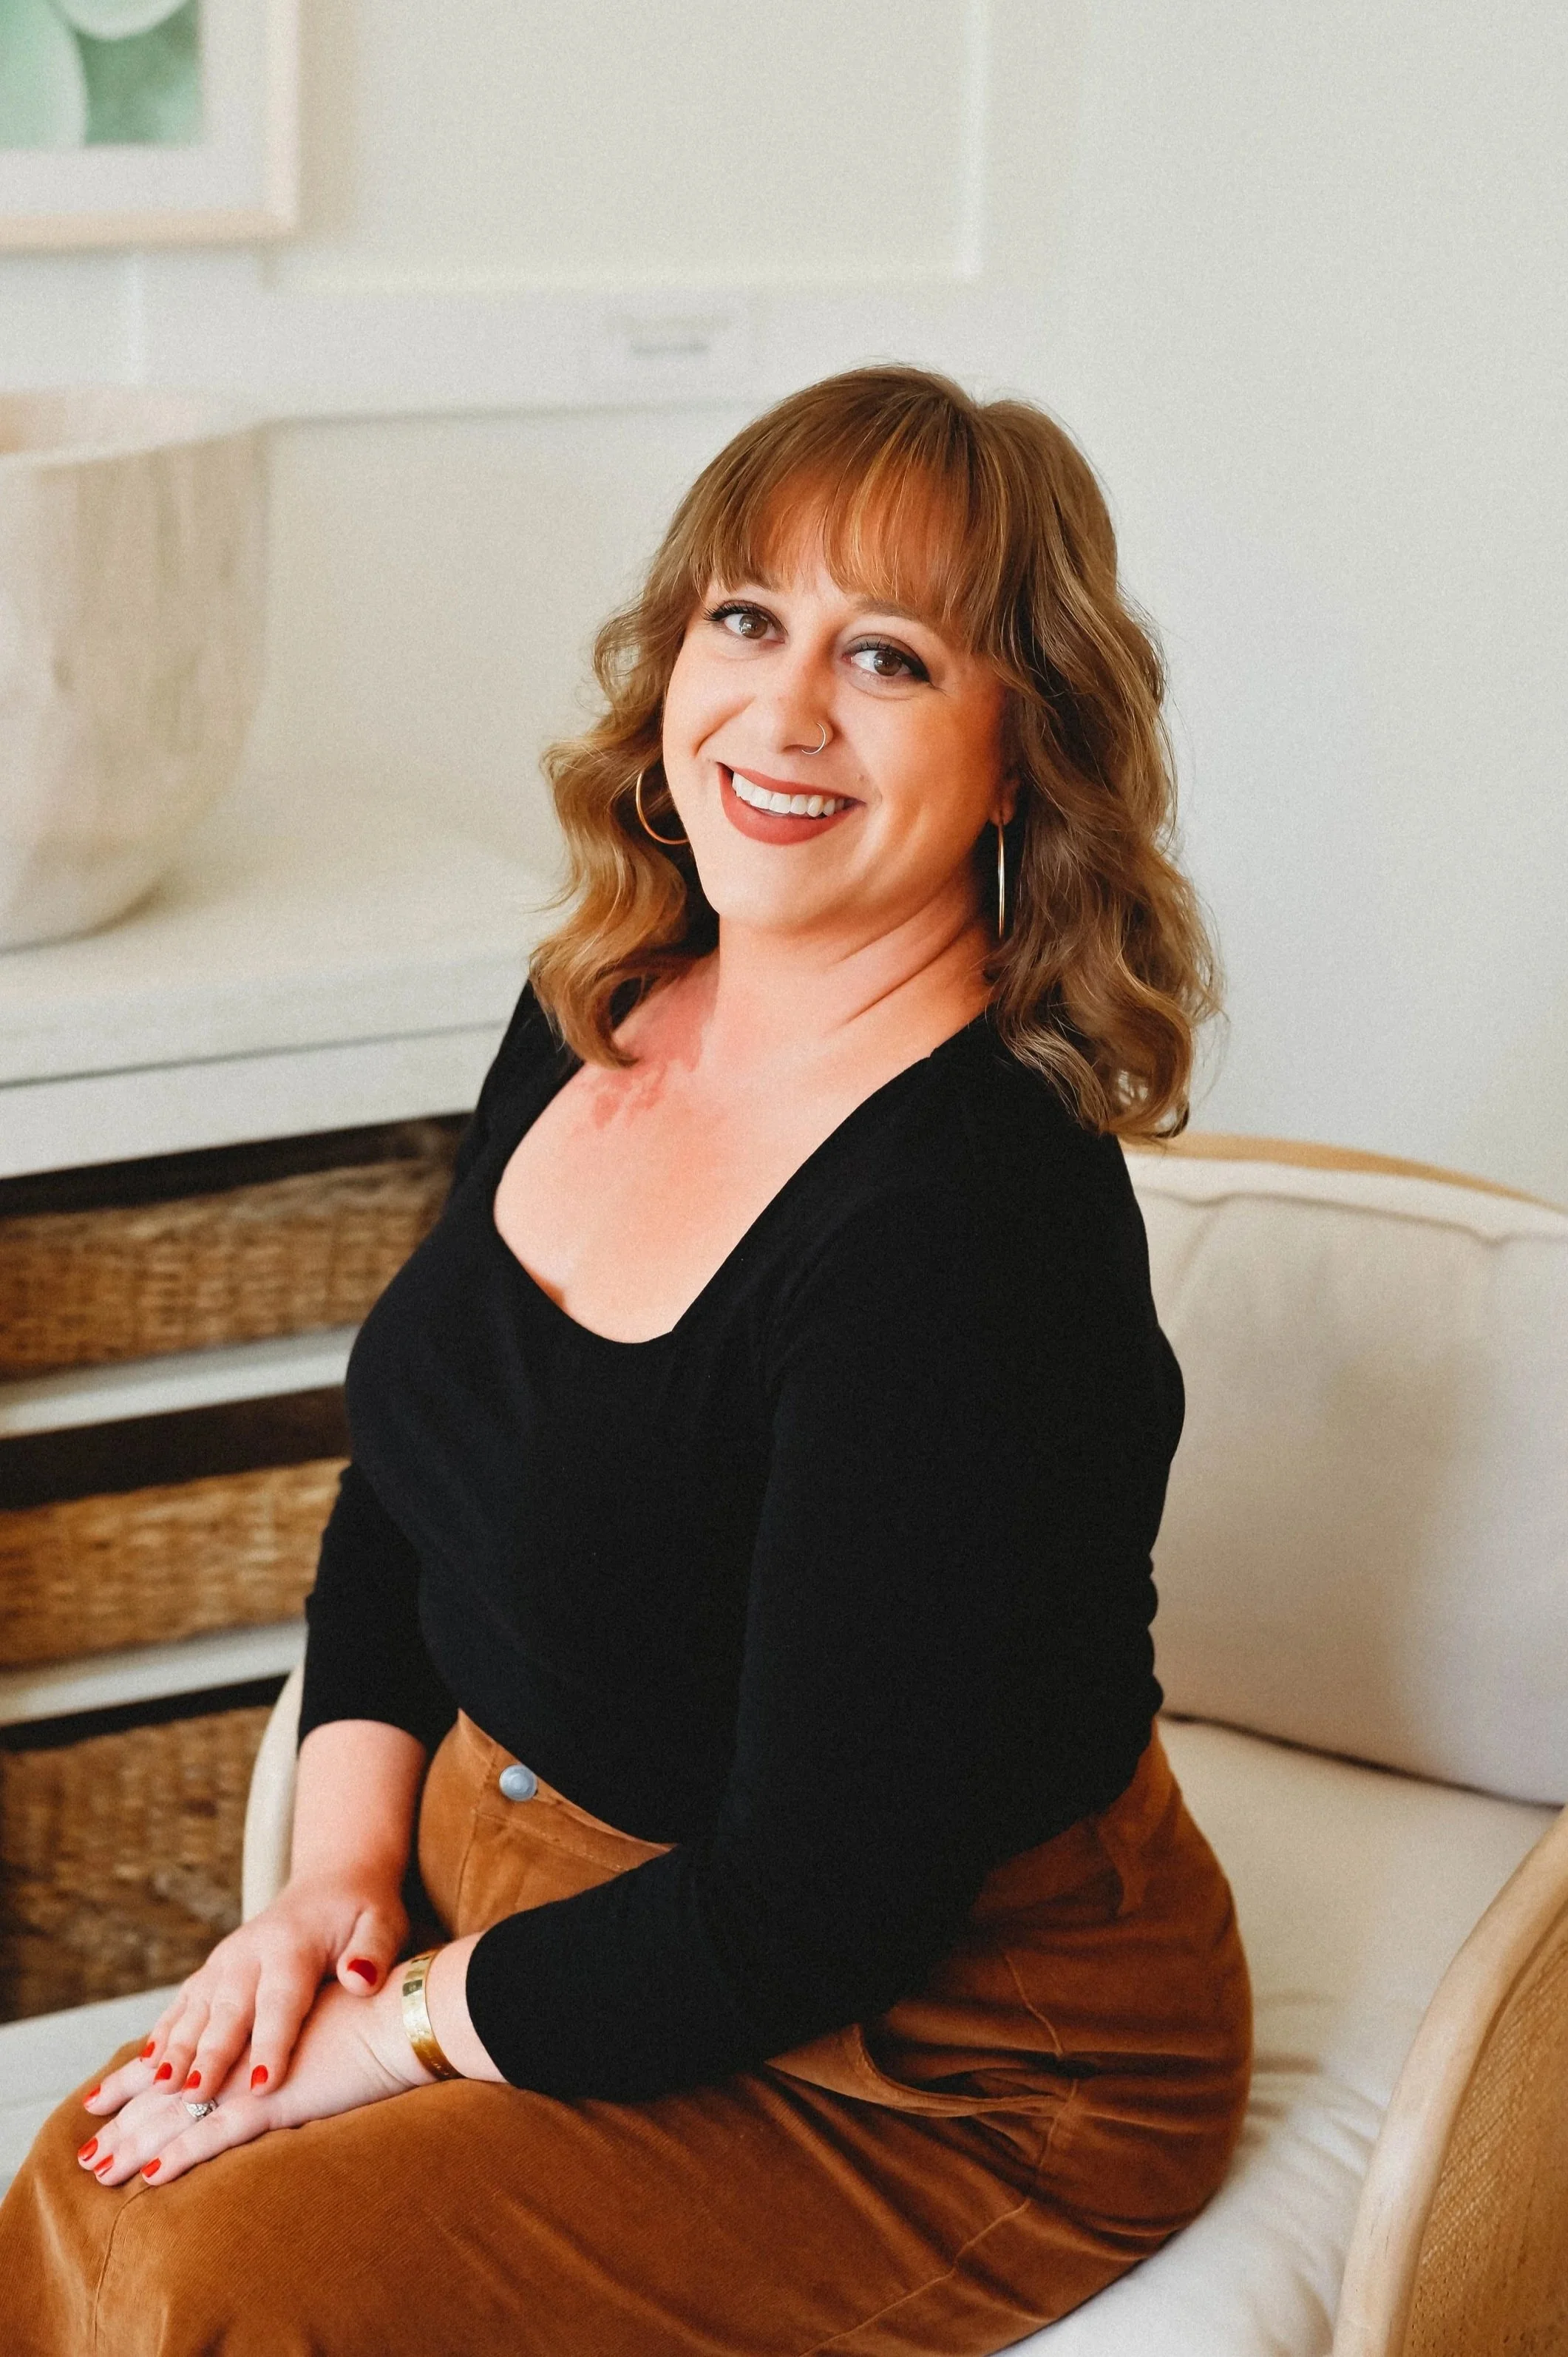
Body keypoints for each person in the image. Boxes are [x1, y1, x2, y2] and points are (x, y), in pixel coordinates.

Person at [0, 364, 1250, 2355]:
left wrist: (392, 2032)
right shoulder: (607, 993)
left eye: (892, 656)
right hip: (577, 1900)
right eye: (747, 617)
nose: (787, 707)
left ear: (1023, 756)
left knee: (190, 2280)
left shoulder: (971, 1228)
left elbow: (817, 1901)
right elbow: (417, 1477)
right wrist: (330, 1880)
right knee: (83, 2185)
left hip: (935, 2059)